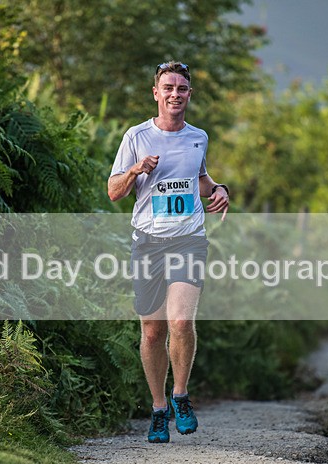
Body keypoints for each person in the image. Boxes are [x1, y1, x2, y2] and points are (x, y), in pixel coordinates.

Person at [107, 60, 230, 443]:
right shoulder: (136, 136)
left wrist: (220, 189)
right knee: (152, 329)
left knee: (180, 322)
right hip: (148, 242)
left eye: (182, 88)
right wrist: (135, 171)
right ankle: (158, 409)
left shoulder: (198, 138)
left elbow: (201, 179)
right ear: (156, 93)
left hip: (188, 238)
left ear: (189, 95)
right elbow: (113, 192)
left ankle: (181, 396)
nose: (175, 94)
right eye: (168, 88)